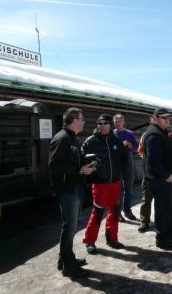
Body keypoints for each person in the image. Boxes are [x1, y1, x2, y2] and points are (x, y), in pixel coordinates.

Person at [49, 107, 95, 278]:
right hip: (67, 189)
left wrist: (87, 164)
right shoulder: (62, 138)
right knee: (70, 227)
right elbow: (55, 165)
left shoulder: (72, 137)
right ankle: (68, 265)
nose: (84, 121)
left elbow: (75, 160)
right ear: (74, 120)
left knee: (70, 226)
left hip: (75, 186)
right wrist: (80, 170)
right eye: (82, 119)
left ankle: (65, 259)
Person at [82, 114, 127, 254]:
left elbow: (124, 158)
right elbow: (82, 158)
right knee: (98, 213)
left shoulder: (116, 141)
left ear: (110, 125)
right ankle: (89, 241)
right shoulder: (91, 141)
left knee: (114, 212)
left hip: (115, 183)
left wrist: (121, 173)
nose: (101, 125)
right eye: (99, 123)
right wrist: (90, 168)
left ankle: (112, 238)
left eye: (105, 123)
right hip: (100, 183)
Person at [142, 108, 172, 250]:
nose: (168, 120)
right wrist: (166, 176)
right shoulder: (153, 135)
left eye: (169, 117)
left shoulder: (162, 132)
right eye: (164, 117)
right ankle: (162, 238)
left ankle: (171, 231)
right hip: (163, 180)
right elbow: (153, 162)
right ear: (155, 118)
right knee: (163, 208)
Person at [113, 114, 139, 221]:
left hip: (128, 164)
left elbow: (136, 147)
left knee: (128, 189)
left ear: (123, 122)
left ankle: (127, 210)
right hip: (116, 165)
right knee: (117, 190)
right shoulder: (112, 133)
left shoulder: (129, 133)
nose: (118, 123)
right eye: (116, 121)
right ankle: (117, 212)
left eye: (119, 121)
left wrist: (130, 146)